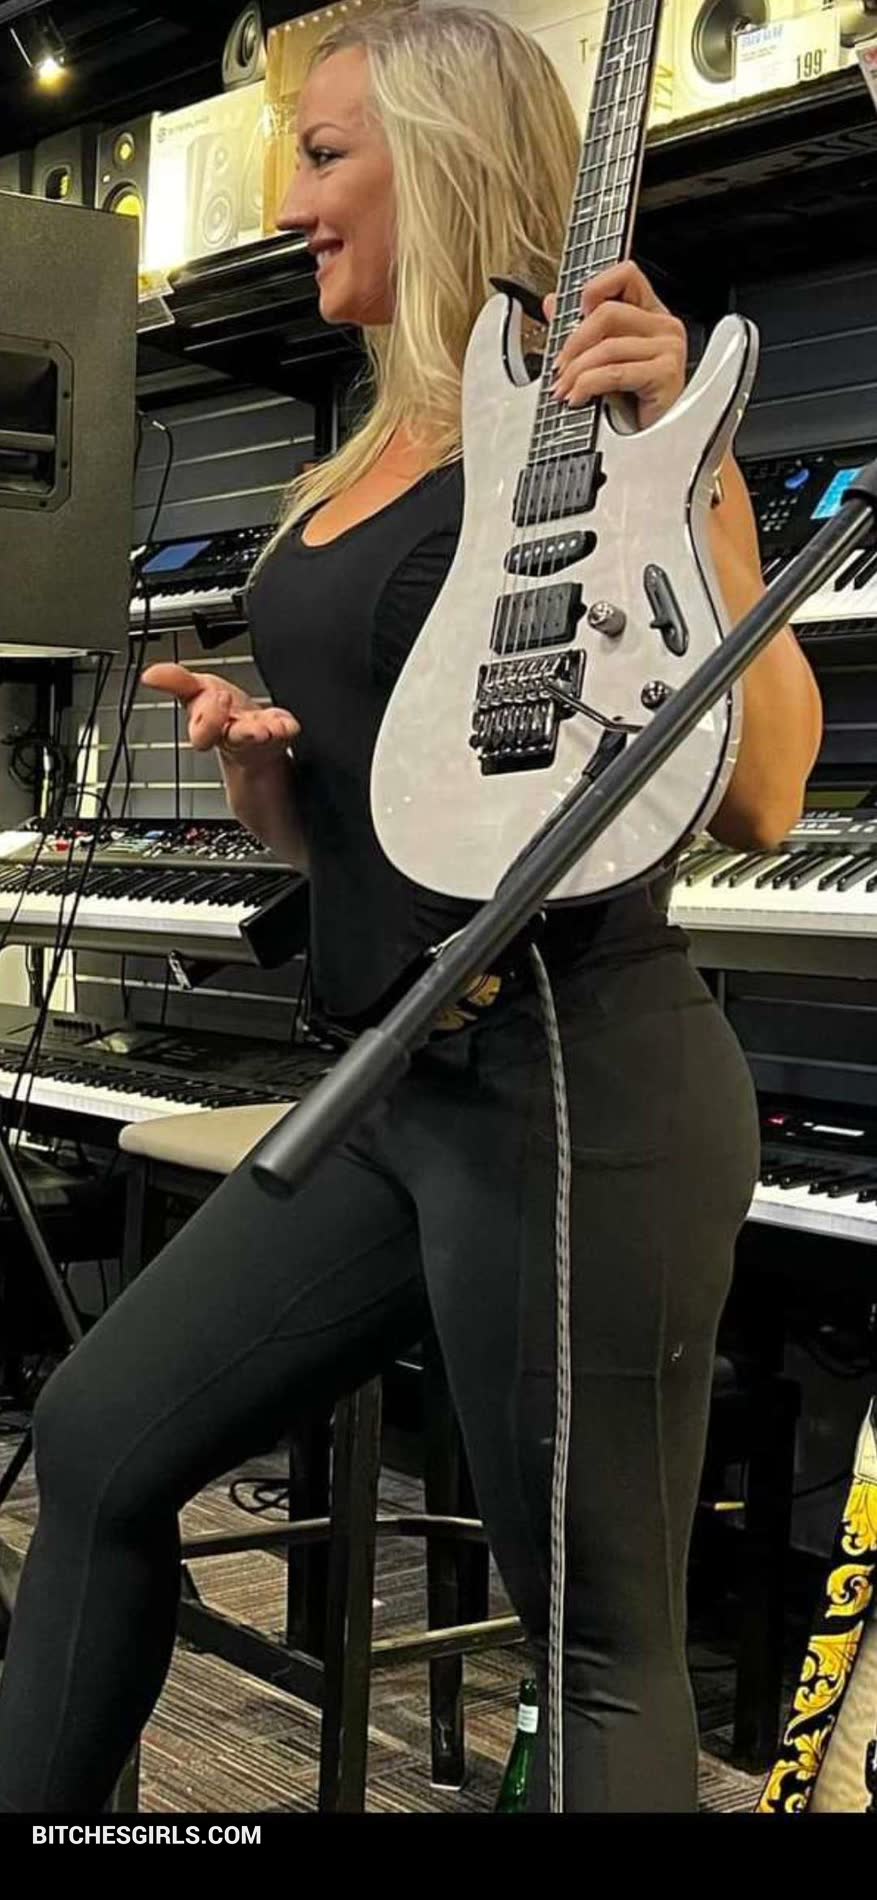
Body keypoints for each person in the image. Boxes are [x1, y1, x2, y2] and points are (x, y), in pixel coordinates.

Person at [0, 5, 821, 1814]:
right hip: (390, 1086)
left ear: (439, 166)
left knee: (593, 1645)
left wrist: (686, 471)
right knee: (101, 1440)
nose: (288, 205)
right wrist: (274, 793)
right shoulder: (362, 457)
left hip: (577, 1083)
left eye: (322, 155)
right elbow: (401, 829)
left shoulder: (611, 435)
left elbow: (760, 790)